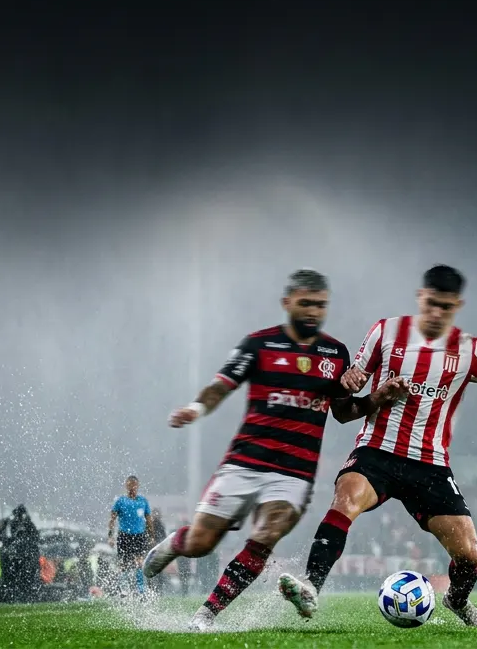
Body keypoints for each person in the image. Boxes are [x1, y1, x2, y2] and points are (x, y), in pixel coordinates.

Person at [279, 264, 477, 626]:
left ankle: (457, 600)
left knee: (469, 556)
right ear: (421, 297)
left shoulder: (469, 350)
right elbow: (344, 412)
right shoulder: (385, 332)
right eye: (431, 303)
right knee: (345, 501)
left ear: (457, 306)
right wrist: (354, 388)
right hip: (377, 451)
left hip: (430, 465)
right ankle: (311, 586)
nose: (437, 313)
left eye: (446, 307)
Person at [142, 269, 406, 631]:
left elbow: (344, 413)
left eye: (320, 305)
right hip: (245, 461)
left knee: (265, 536)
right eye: (306, 303)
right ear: (287, 303)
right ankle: (179, 541)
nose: (314, 311)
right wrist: (196, 409)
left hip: (295, 473)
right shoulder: (259, 344)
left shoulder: (335, 353)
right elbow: (222, 385)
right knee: (203, 543)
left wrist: (378, 398)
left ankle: (205, 616)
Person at [108, 475, 152, 595]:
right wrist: (110, 536)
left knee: (139, 562)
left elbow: (148, 519)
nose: (132, 487)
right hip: (124, 535)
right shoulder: (120, 501)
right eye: (129, 484)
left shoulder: (143, 501)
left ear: (137, 486)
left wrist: (151, 536)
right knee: (124, 563)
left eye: (134, 484)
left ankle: (140, 588)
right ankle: (124, 588)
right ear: (126, 486)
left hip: (139, 536)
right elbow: (112, 519)